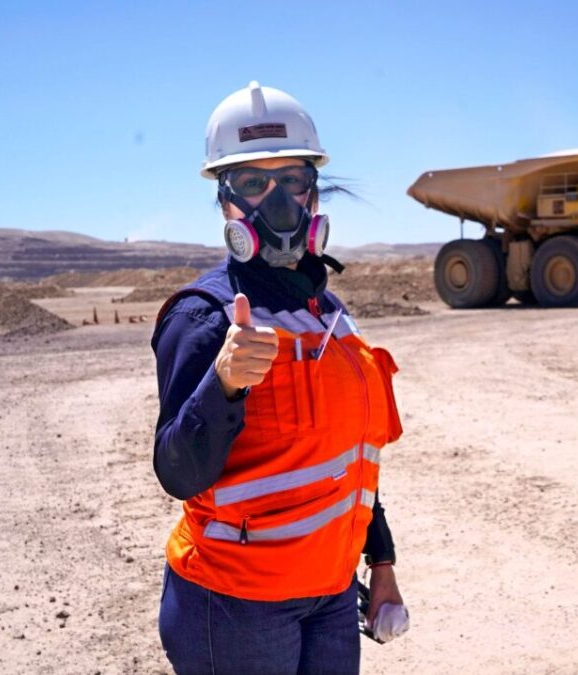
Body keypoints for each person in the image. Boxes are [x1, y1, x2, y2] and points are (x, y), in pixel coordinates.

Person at [151, 81, 408, 674]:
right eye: (252, 183)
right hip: (236, 606)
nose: (278, 201)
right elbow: (178, 472)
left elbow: (349, 459)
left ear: (313, 191)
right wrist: (223, 386)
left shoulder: (331, 313)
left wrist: (382, 565)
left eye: (291, 179)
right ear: (225, 202)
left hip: (333, 597)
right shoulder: (203, 316)